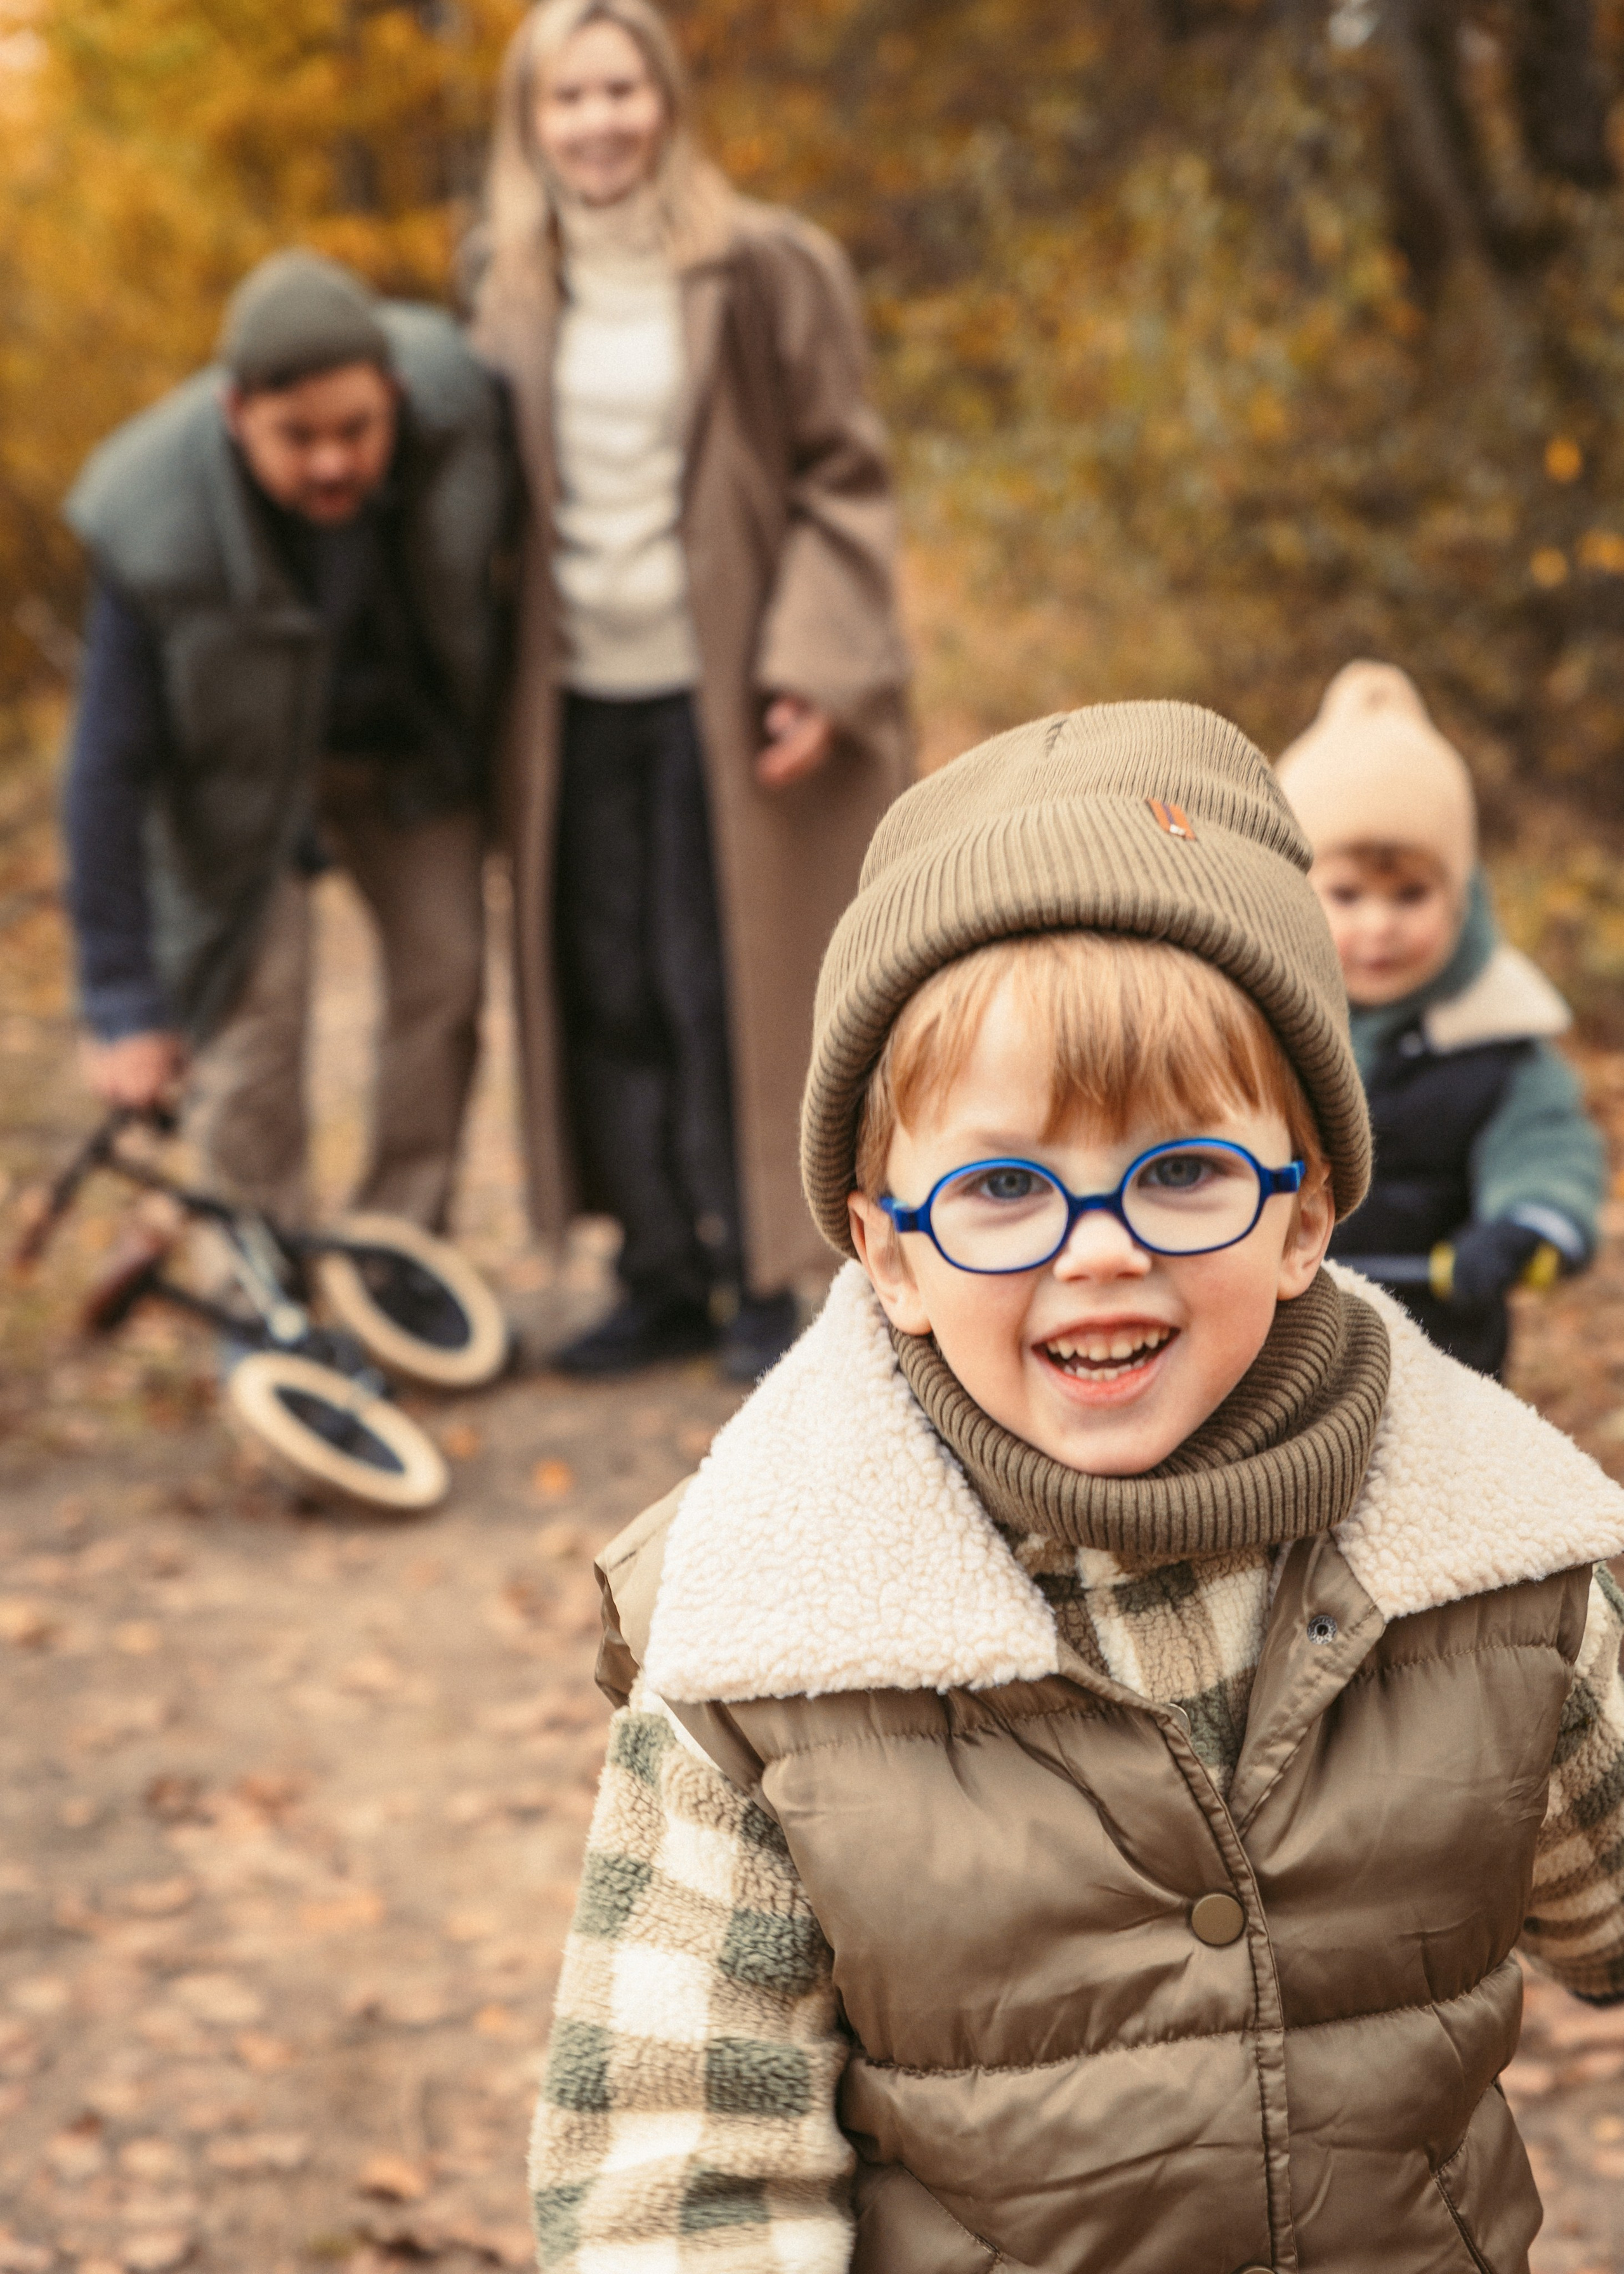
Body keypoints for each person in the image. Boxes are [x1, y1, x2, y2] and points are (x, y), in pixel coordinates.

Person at [526, 702, 1624, 2270]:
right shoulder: (757, 1651)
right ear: (888, 1254)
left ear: (1305, 1217)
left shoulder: (1496, 1568)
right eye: (998, 1189)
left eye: (1180, 1172)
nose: (1093, 1248)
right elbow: (671, 2167)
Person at [471, 0, 910, 1383]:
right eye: (567, 98)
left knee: (725, 974)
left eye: (620, 91)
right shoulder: (501, 282)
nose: (596, 122)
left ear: (662, 104)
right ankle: (655, 1261)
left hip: (726, 692)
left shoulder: (766, 267)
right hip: (570, 697)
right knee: (603, 980)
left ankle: (765, 1273)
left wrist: (816, 663)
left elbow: (844, 474)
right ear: (530, 121)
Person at [62, 251, 509, 1233]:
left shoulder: (466, 409)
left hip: (407, 758)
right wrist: (124, 1002)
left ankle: (400, 1253)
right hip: (240, 787)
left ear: (394, 394)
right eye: (295, 438)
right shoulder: (151, 516)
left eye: (357, 429)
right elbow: (105, 768)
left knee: (446, 979)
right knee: (257, 1013)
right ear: (234, 418)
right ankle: (265, 1277)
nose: (332, 463)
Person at [1277, 661, 1605, 1377]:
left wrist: (1526, 1223)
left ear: (1459, 896)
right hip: (1277, 1343)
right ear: (1293, 892)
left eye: (1409, 894)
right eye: (1347, 893)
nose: (1378, 925)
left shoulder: (1495, 1038)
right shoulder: (1256, 1027)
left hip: (1441, 1349)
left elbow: (1545, 1145)